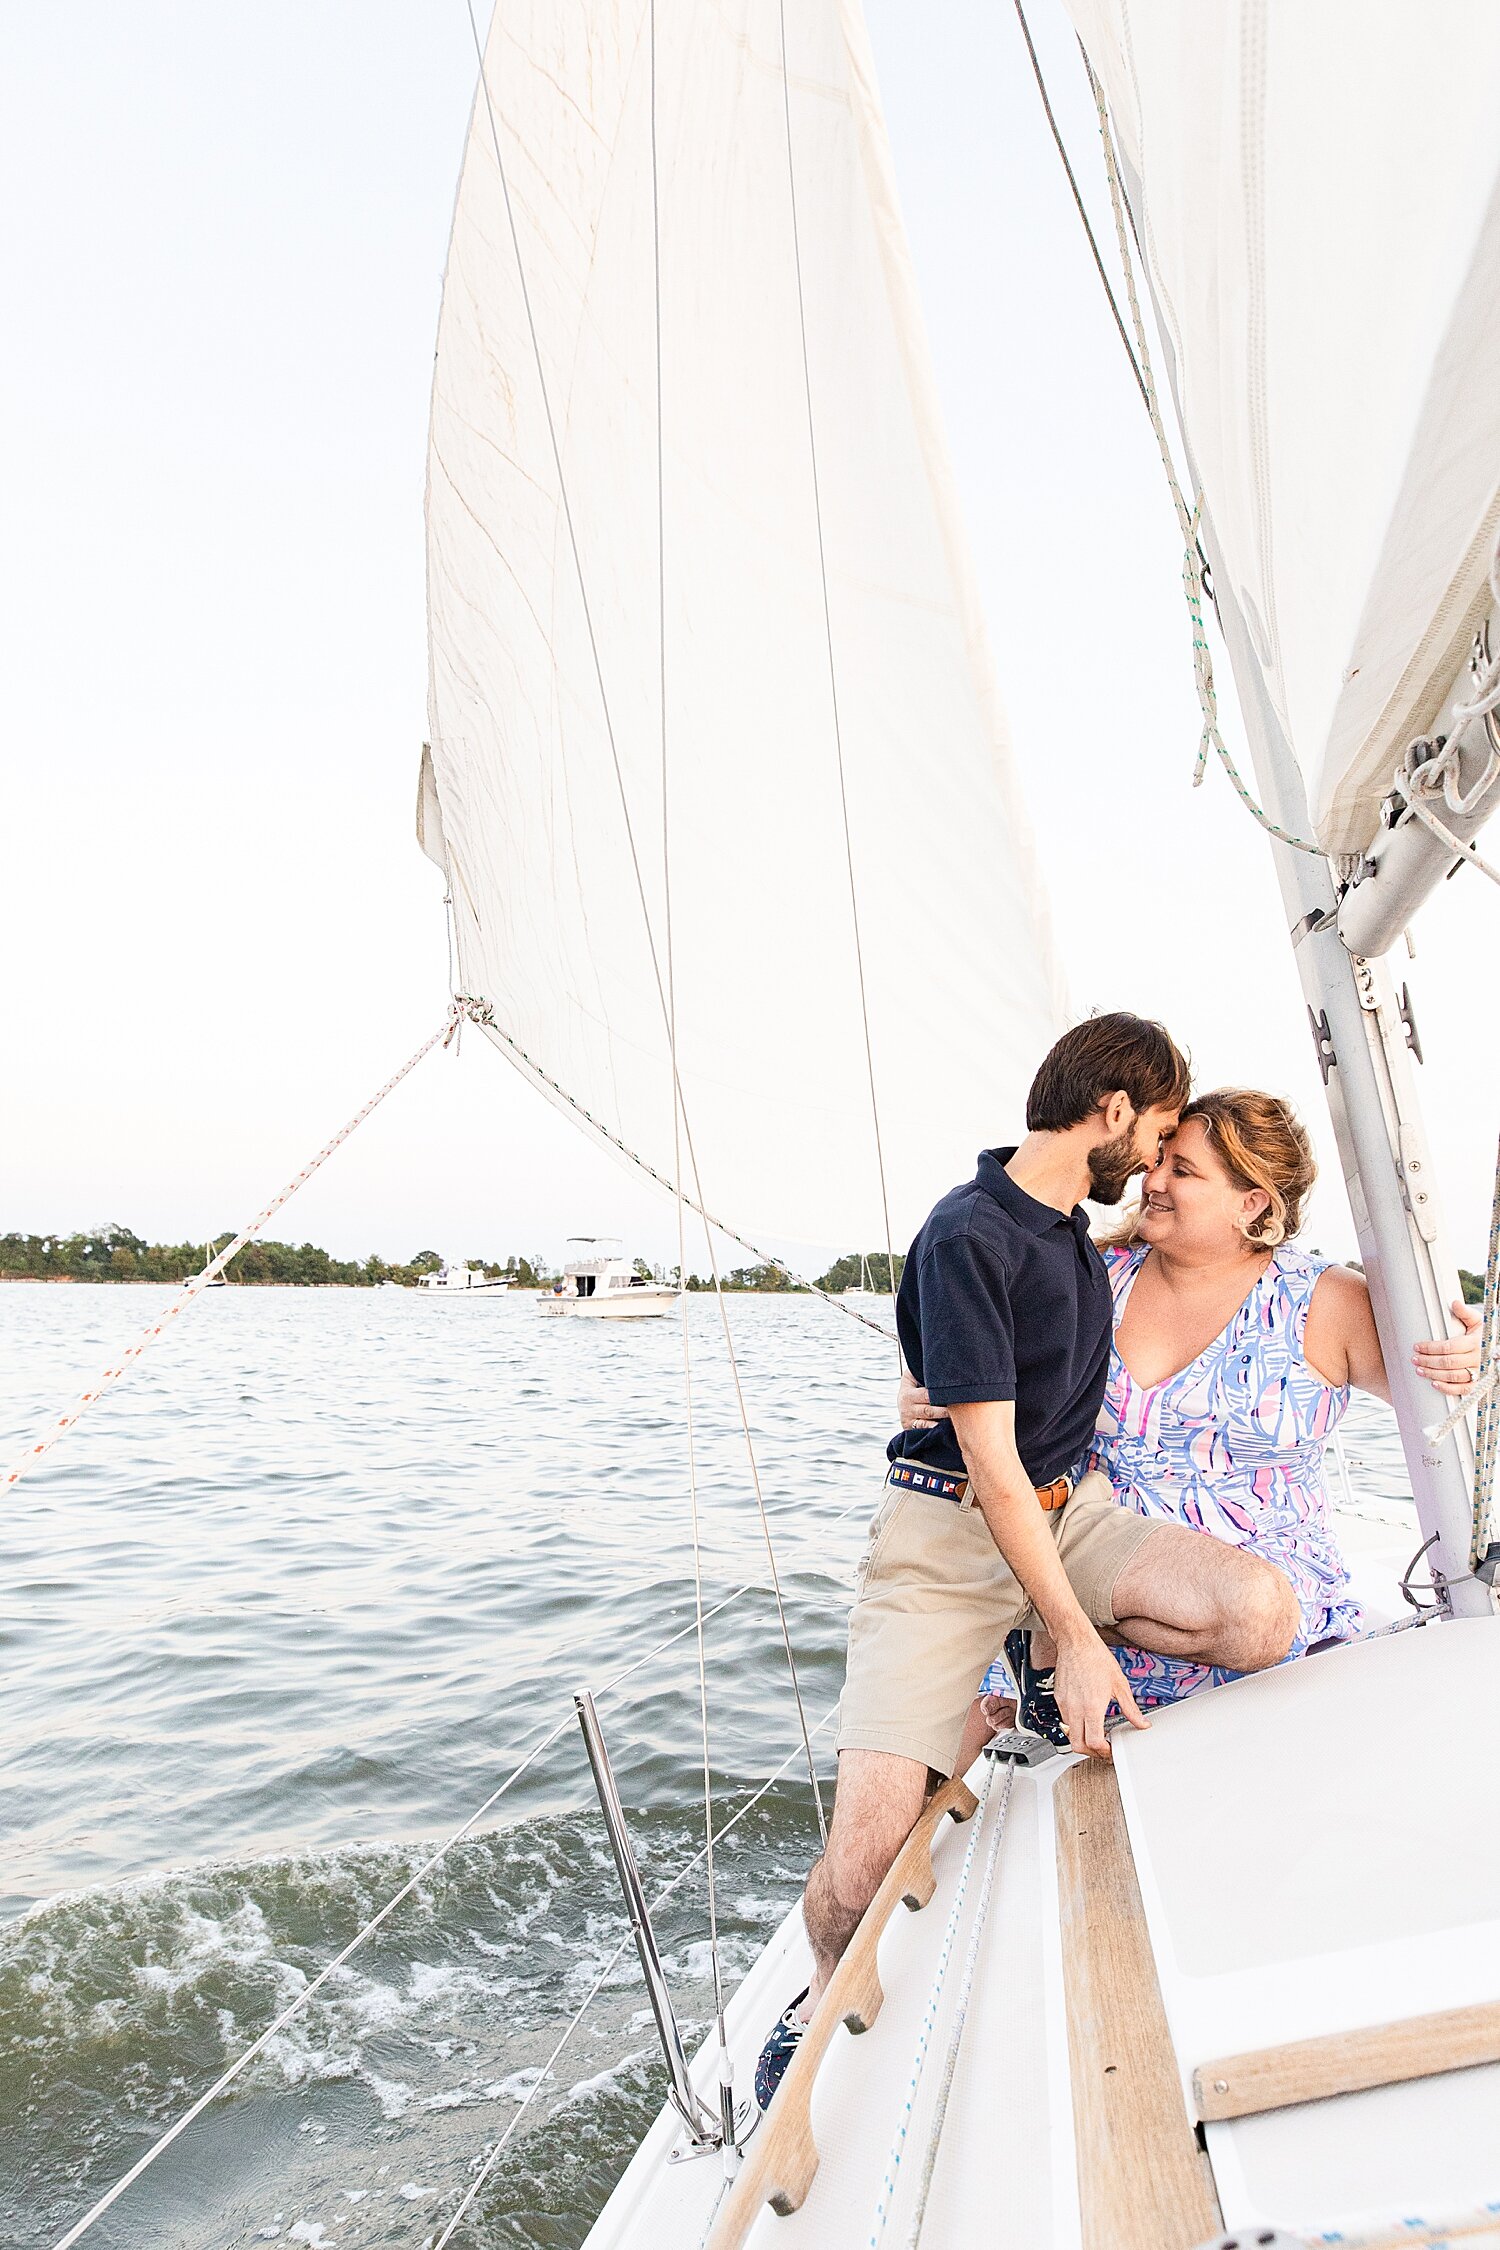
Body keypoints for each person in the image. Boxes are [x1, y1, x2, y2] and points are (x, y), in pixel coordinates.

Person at [754, 1017, 1305, 2111]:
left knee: (1256, 1614)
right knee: (860, 1876)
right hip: (947, 1541)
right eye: (1153, 1136)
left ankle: (1029, 1675)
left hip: (1069, 1516)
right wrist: (1075, 1639)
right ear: (1109, 1115)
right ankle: (813, 1992)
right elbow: (992, 1474)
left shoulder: (1073, 1236)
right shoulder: (969, 1237)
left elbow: (1270, 1263)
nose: (1154, 1162)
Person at [908, 1088, 1484, 1767]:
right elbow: (965, 1338)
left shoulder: (1325, 1302)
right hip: (1100, 1583)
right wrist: (917, 1392)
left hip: (1253, 1630)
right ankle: (1040, 1652)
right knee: (919, 1783)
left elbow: (1451, 1412)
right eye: (1160, 1161)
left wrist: (1474, 1359)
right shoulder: (1094, 1275)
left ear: (1253, 1202)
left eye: (1182, 1170)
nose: (1150, 1180)